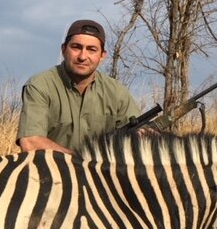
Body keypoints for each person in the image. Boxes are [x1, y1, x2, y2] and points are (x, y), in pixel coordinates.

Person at [16, 19, 141, 155]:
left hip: (101, 174)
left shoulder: (116, 91)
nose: (82, 56)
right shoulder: (40, 85)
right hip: (50, 173)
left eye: (91, 50)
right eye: (76, 47)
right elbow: (30, 142)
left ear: (102, 56)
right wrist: (83, 161)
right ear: (63, 49)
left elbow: (138, 138)